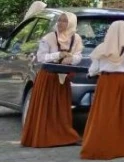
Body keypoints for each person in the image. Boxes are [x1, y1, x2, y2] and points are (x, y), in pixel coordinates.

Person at [80, 20, 124, 160]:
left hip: (105, 83)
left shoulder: (102, 47)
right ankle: (119, 144)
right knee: (120, 114)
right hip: (122, 83)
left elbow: (93, 70)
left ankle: (98, 143)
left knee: (103, 113)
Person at [21, 11, 82, 148]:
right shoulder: (49, 37)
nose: (61, 23)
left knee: (60, 108)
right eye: (59, 20)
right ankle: (43, 137)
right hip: (48, 77)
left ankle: (61, 136)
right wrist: (58, 54)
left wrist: (70, 59)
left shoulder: (76, 38)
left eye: (64, 21)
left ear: (71, 23)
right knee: (46, 108)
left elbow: (78, 55)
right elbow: (41, 57)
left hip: (63, 77)